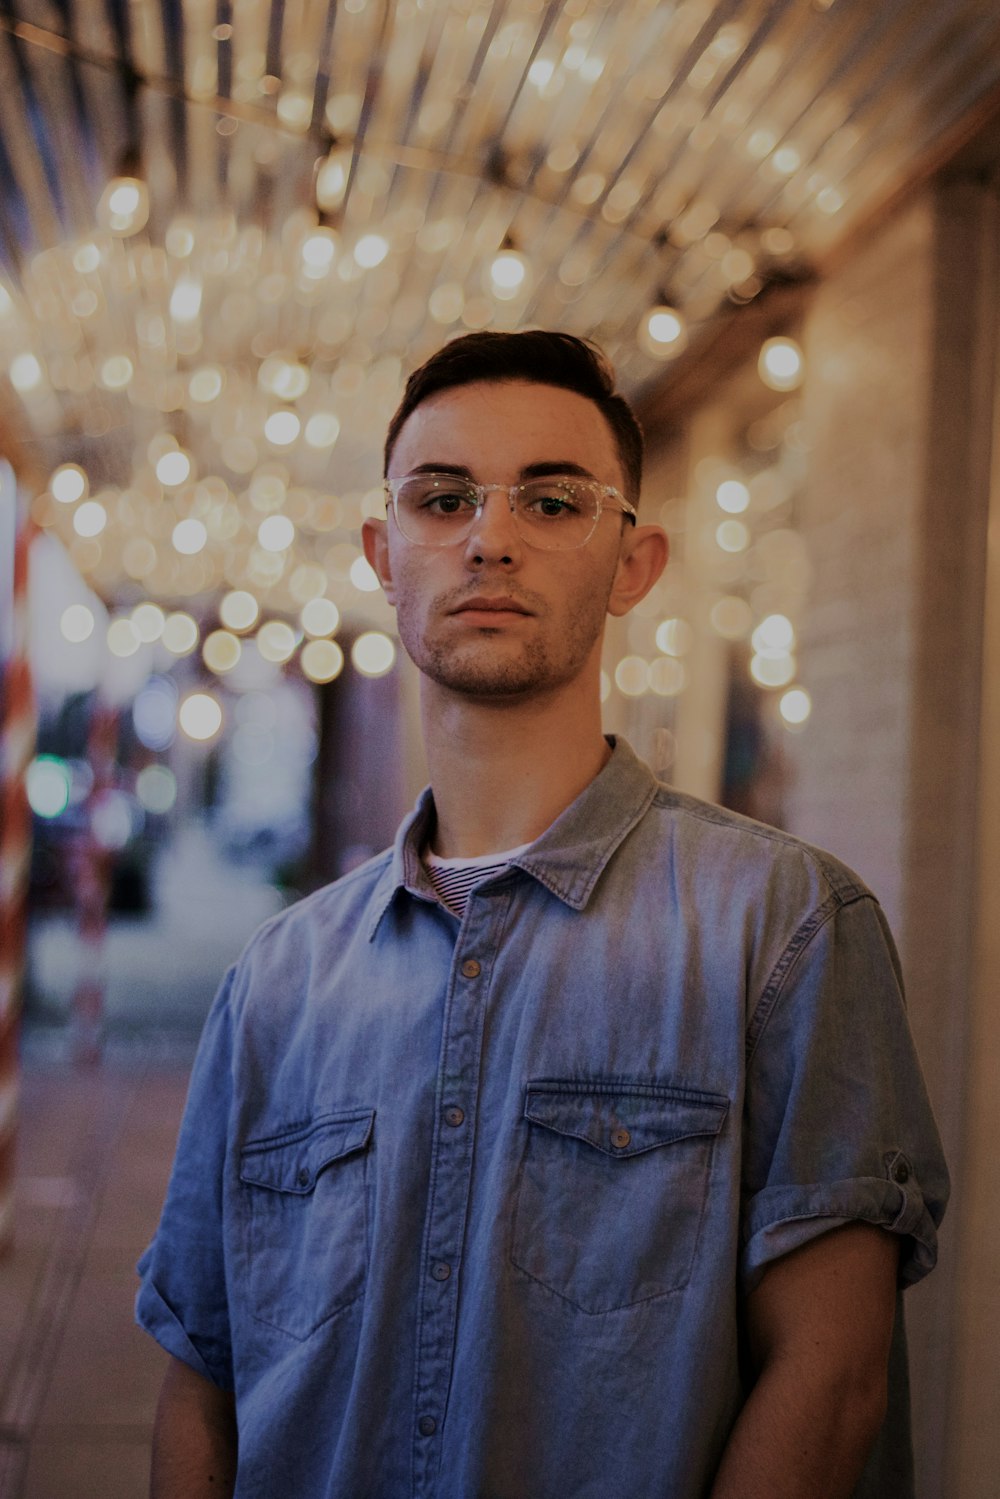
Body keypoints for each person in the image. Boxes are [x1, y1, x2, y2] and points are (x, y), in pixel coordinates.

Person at [137, 329, 949, 1499]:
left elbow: (831, 1384)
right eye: (442, 496)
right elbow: (201, 1381)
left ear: (634, 562)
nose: (489, 535)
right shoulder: (277, 977)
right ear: (383, 550)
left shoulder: (783, 928)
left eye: (554, 500)